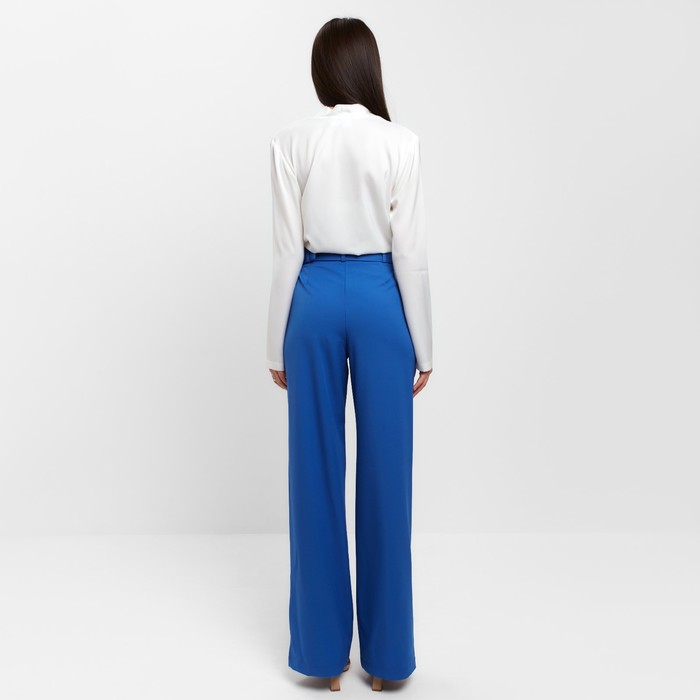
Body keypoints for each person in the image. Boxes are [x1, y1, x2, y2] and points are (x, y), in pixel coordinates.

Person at [266, 17, 433, 692]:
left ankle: (320, 657)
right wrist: (425, 345)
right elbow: (410, 253)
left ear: (320, 72)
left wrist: (273, 339)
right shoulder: (401, 142)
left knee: (313, 473)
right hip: (380, 300)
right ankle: (387, 662)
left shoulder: (290, 141)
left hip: (311, 299)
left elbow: (285, 251)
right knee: (388, 476)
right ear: (368, 69)